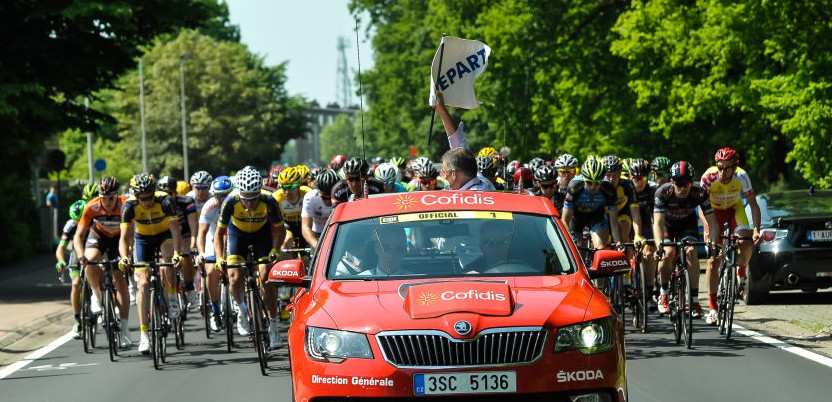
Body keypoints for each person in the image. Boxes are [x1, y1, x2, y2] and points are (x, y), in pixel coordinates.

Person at [214, 167, 286, 349]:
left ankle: (273, 326)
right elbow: (219, 233)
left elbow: (281, 229)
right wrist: (218, 258)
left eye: (253, 198)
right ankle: (241, 308)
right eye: (245, 198)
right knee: (235, 276)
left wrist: (276, 251)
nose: (250, 203)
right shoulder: (231, 201)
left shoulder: (269, 200)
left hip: (262, 235)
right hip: (238, 235)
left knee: (266, 277)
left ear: (258, 193)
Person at [118, 173, 183, 354]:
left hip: (165, 236)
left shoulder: (165, 201)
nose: (146, 202)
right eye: (142, 198)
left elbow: (176, 231)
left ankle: (171, 298)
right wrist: (124, 256)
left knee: (167, 258)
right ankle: (144, 334)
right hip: (143, 239)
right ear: (136, 196)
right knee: (143, 283)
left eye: (149, 197)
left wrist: (178, 254)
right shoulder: (129, 206)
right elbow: (124, 237)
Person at [699, 147, 762, 325]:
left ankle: (741, 272)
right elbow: (700, 207)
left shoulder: (742, 176)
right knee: (713, 259)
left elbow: (753, 205)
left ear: (735, 167)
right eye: (719, 167)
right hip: (713, 214)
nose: (722, 171)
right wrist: (708, 226)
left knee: (746, 241)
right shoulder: (708, 177)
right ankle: (712, 308)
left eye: (727, 168)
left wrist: (756, 229)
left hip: (734, 210)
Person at [653, 161, 719, 319]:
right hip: (667, 225)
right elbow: (658, 224)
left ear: (692, 182)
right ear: (672, 182)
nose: (683, 188)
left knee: (691, 252)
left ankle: (694, 300)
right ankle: (664, 293)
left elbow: (712, 222)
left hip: (687, 225)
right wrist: (659, 246)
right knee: (668, 253)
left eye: (687, 183)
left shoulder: (700, 192)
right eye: (679, 184)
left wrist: (713, 243)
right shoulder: (662, 193)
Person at [74, 176, 132, 346]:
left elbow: (131, 236)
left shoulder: (126, 206)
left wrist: (127, 255)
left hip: (119, 239)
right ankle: (97, 295)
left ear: (117, 196)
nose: (107, 202)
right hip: (99, 235)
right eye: (104, 198)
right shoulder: (92, 206)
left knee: (120, 278)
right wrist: (80, 256)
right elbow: (78, 236)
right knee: (89, 260)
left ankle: (125, 329)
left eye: (111, 198)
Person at [432, 90, 495, 191]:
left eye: (444, 172)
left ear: (453, 174)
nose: (442, 176)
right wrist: (441, 109)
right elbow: (459, 144)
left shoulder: (466, 200)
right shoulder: (481, 181)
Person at [196, 175, 233, 331]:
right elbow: (202, 234)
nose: (221, 199)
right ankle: (215, 309)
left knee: (237, 269)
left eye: (225, 195)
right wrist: (201, 253)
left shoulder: (237, 203)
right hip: (214, 237)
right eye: (218, 195)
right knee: (211, 271)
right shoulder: (210, 206)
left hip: (233, 236)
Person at [561, 156, 621, 250]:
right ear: (584, 179)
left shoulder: (609, 189)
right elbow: (565, 219)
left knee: (600, 247)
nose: (593, 187)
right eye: (589, 182)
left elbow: (614, 223)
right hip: (577, 218)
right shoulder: (574, 186)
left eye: (597, 183)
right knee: (576, 250)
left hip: (596, 216)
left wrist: (618, 243)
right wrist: (569, 240)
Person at [157, 175, 199, 310]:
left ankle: (189, 287)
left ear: (176, 192)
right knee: (164, 265)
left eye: (171, 194)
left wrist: (193, 244)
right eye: (164, 194)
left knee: (186, 255)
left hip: (184, 232)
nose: (168, 197)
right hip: (166, 235)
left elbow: (193, 224)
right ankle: (167, 296)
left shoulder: (186, 201)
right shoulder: (156, 204)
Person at [55, 199, 85, 339]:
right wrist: (61, 261)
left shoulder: (94, 220)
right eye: (76, 219)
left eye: (81, 218)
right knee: (75, 284)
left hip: (95, 250)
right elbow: (61, 247)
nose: (79, 222)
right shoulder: (70, 225)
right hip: (76, 253)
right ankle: (77, 321)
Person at [301, 169, 338, 250]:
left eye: (330, 197)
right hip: (317, 234)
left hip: (337, 232)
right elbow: (305, 227)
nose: (328, 201)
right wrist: (318, 248)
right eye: (324, 197)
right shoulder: (310, 197)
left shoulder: (342, 195)